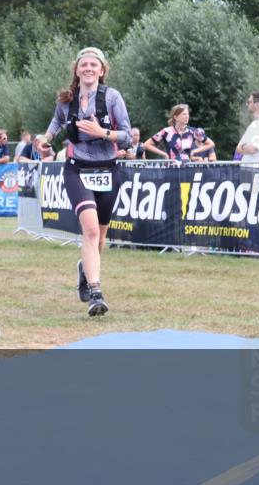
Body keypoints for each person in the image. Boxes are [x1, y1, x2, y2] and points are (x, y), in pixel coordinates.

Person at [35, 47, 131, 317]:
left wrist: (104, 133)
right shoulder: (67, 100)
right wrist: (46, 141)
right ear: (77, 70)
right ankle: (96, 293)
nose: (88, 68)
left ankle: (84, 269)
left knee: (99, 238)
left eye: (94, 64)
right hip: (77, 169)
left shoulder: (112, 98)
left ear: (102, 70)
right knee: (89, 231)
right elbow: (56, 121)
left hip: (108, 170)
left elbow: (127, 136)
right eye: (84, 64)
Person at [142, 104, 215, 163]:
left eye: (188, 114)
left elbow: (211, 144)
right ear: (175, 117)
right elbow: (146, 145)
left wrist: (194, 151)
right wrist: (164, 154)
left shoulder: (193, 131)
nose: (187, 117)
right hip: (171, 170)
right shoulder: (166, 131)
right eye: (184, 114)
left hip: (187, 169)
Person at [235, 92, 259, 164]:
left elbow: (252, 150)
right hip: (247, 168)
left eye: (249, 102)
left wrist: (243, 147)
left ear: (257, 105)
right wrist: (245, 147)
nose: (247, 104)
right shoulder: (252, 125)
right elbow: (238, 149)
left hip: (258, 170)